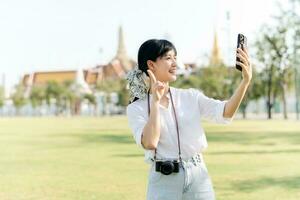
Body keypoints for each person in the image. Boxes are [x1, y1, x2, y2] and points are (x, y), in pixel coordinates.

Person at [126, 39, 252, 200]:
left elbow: (225, 112)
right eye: (168, 58)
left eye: (175, 58)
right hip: (164, 181)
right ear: (151, 65)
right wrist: (155, 103)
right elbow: (150, 142)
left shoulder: (190, 96)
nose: (175, 64)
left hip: (198, 176)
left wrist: (245, 82)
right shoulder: (137, 108)